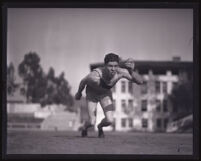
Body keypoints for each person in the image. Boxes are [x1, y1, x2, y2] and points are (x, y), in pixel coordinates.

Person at [75, 53, 144, 138]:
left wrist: (131, 71)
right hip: (92, 94)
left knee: (109, 120)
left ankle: (100, 127)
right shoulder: (95, 75)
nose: (113, 69)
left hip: (105, 94)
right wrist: (79, 93)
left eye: (115, 66)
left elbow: (140, 81)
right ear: (105, 65)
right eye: (110, 66)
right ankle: (85, 128)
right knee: (92, 121)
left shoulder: (120, 72)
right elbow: (83, 82)